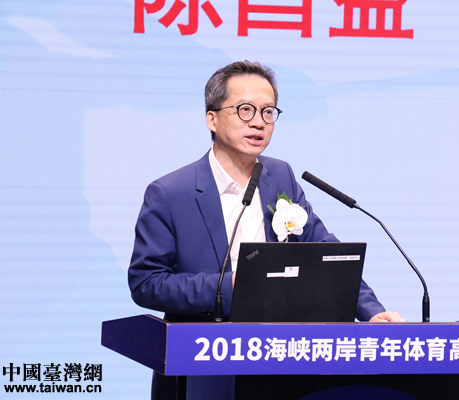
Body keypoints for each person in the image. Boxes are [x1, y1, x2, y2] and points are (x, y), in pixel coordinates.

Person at [128, 60, 405, 399]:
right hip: (201, 367)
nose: (258, 122)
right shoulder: (171, 193)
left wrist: (372, 313)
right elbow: (146, 283)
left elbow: (328, 258)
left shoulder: (280, 177)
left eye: (268, 111)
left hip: (279, 365)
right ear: (211, 119)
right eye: (244, 110)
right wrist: (232, 286)